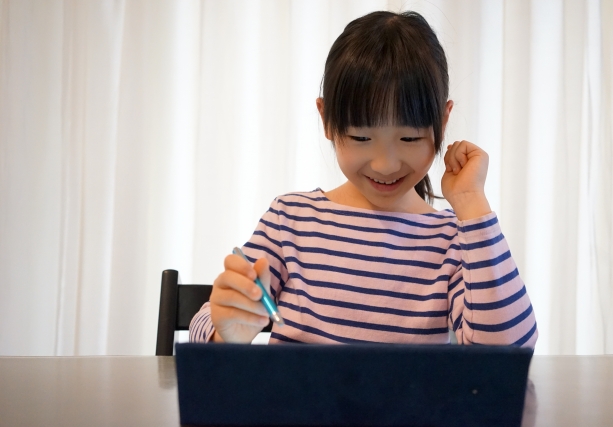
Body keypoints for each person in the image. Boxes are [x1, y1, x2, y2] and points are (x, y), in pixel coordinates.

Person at [190, 10, 537, 347]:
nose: (385, 165)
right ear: (327, 120)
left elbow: (507, 353)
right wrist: (227, 336)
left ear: (443, 123)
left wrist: (472, 203)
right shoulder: (290, 219)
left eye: (410, 138)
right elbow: (206, 323)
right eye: (361, 137)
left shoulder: (454, 240)